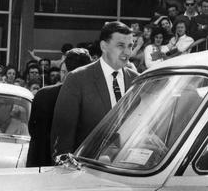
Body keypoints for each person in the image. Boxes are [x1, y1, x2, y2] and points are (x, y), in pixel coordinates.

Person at [50, 21, 139, 157]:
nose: (127, 52)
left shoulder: (137, 81)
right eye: (120, 46)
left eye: (130, 46)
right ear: (103, 46)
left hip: (127, 171)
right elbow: (63, 135)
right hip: (86, 170)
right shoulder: (77, 79)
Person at [26, 48, 92, 167]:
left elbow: (33, 130)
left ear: (66, 72)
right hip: (76, 166)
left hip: (43, 163)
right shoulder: (91, 97)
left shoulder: (43, 94)